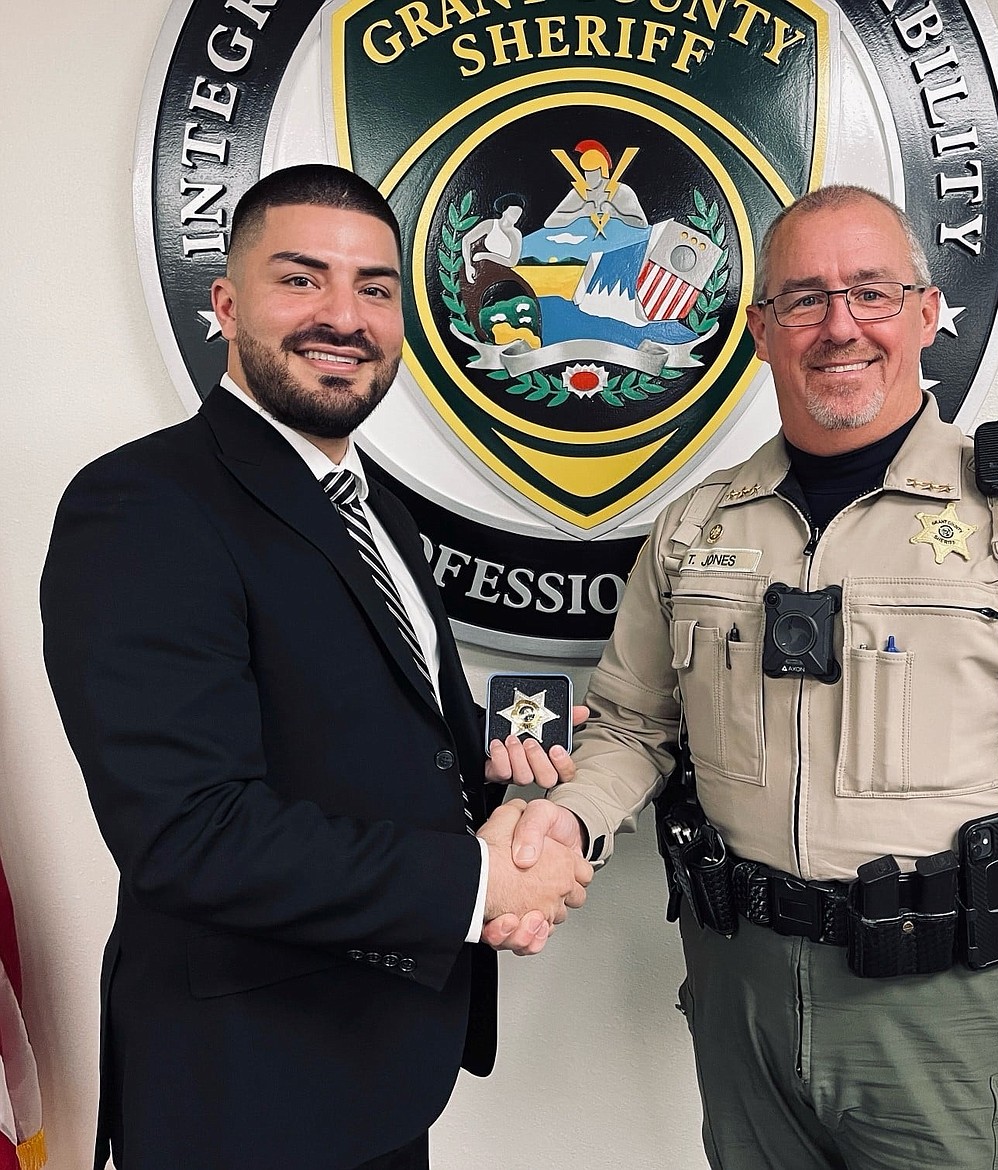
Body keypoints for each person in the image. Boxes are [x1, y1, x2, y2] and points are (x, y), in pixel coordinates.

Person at [512, 185, 998, 1169]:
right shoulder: (696, 531)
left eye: (871, 292)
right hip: (743, 1006)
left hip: (951, 1021)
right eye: (805, 299)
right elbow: (630, 726)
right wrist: (566, 821)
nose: (840, 326)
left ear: (925, 312)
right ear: (760, 330)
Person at [40, 164, 592, 1170]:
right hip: (246, 1093)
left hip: (375, 1066)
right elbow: (189, 831)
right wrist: (478, 884)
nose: (345, 316)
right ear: (226, 303)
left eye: (375, 289)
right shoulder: (143, 506)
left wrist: (500, 759)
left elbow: (371, 721)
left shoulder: (373, 505)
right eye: (301, 279)